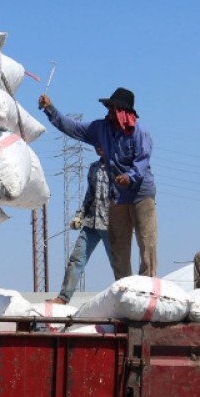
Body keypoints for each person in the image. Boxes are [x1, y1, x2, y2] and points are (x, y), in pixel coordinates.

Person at [39, 87, 157, 279]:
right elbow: (73, 128)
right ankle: (124, 285)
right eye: (109, 109)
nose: (108, 113)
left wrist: (129, 177)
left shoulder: (139, 134)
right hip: (118, 195)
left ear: (123, 113)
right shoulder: (101, 129)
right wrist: (50, 109)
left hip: (140, 194)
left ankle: (149, 284)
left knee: (146, 240)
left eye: (112, 110)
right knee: (118, 242)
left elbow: (142, 162)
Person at [51, 149, 115, 304]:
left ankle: (127, 297)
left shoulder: (119, 166)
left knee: (118, 264)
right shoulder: (93, 168)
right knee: (76, 259)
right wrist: (79, 215)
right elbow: (90, 195)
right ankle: (63, 297)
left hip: (112, 225)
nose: (98, 148)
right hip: (91, 223)